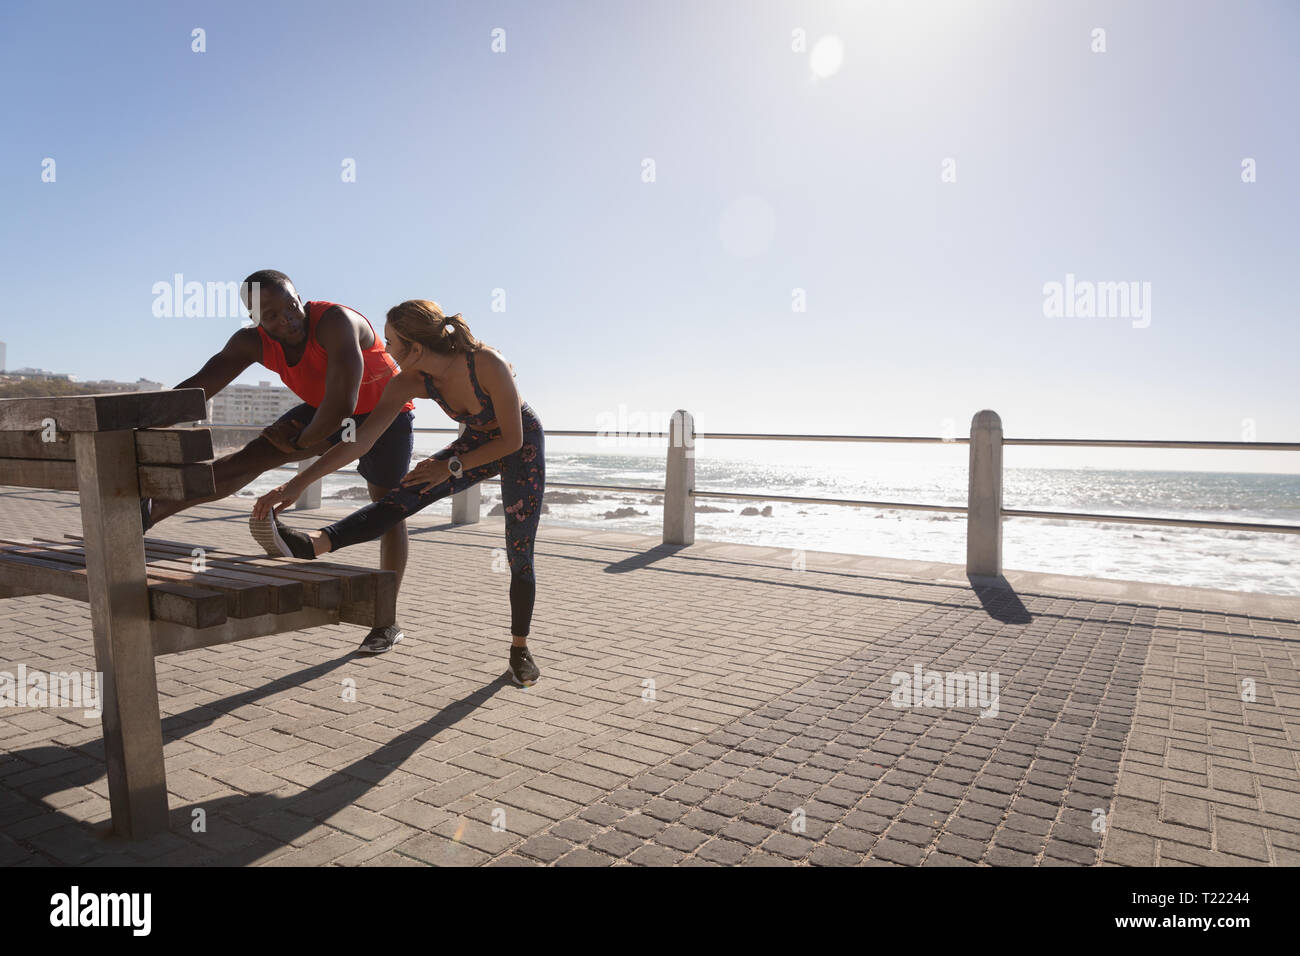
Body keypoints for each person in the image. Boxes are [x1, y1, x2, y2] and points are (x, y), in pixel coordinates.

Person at [249, 300, 544, 687]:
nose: (385, 350)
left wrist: (448, 466)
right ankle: (313, 545)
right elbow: (360, 440)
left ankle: (519, 649)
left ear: (416, 348)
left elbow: (512, 439)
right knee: (401, 494)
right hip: (474, 444)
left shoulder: (486, 362)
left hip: (520, 447)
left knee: (518, 553)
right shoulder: (407, 380)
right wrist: (294, 485)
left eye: (391, 342)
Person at [149, 269, 415, 654]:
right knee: (250, 457)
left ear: (299, 298)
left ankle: (385, 620)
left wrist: (297, 443)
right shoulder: (249, 343)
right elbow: (196, 389)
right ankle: (148, 514)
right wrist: (140, 420)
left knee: (389, 509)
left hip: (384, 415)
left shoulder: (336, 322)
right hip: (324, 410)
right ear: (255, 321)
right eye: (271, 315)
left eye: (290, 306)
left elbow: (343, 404)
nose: (286, 319)